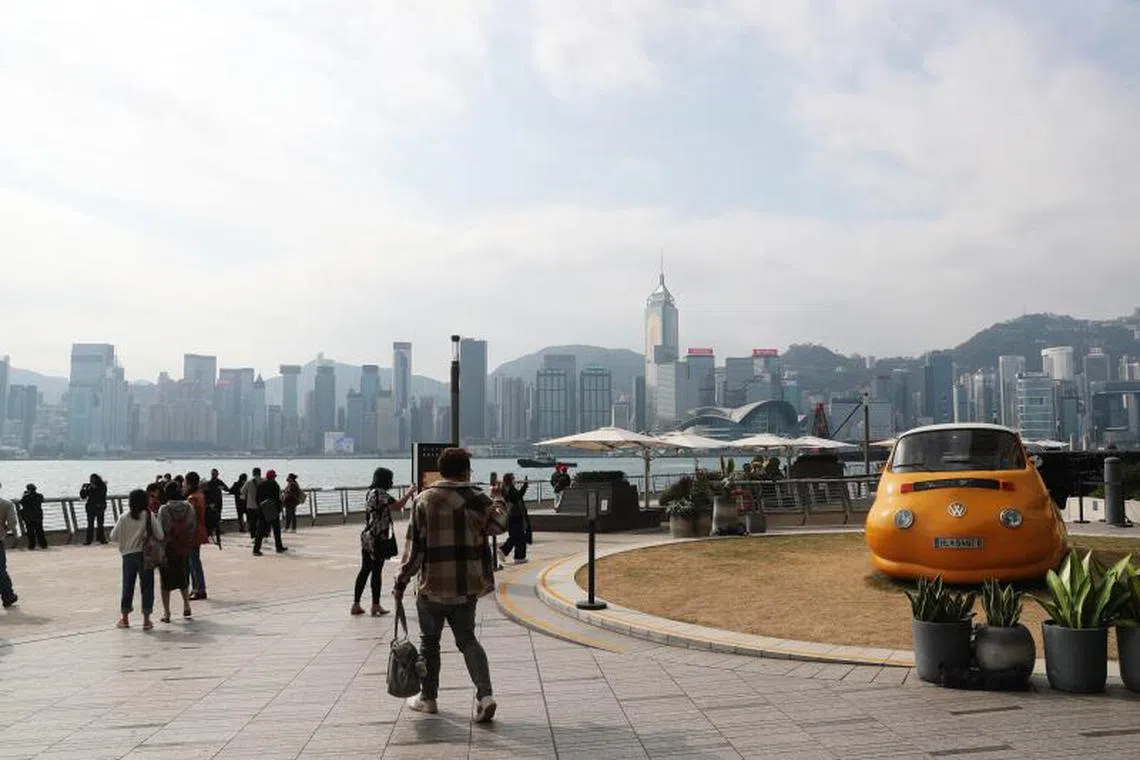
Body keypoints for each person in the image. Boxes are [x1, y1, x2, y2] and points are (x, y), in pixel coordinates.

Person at [393, 447, 507, 723]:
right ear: (466, 470)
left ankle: (428, 699)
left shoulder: (424, 500)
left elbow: (414, 550)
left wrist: (401, 580)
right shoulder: (477, 499)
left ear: (441, 471)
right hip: (466, 587)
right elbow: (500, 525)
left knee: (429, 643)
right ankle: (484, 695)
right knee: (467, 639)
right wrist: (499, 498)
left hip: (432, 586)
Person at [352, 467, 414, 617]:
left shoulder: (370, 493)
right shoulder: (381, 493)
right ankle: (375, 605)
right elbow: (398, 506)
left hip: (367, 536)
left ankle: (356, 604)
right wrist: (410, 492)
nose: (392, 482)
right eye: (390, 479)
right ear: (385, 480)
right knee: (376, 571)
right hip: (378, 538)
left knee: (365, 569)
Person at [110, 489, 163, 630]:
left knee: (127, 585)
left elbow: (113, 536)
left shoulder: (124, 517)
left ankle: (125, 618)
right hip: (145, 555)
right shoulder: (148, 515)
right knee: (147, 586)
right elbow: (160, 535)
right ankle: (146, 620)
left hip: (127, 555)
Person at [157, 481, 196, 622]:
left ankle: (167, 613)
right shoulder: (189, 507)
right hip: (184, 548)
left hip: (168, 549)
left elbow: (161, 531)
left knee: (165, 582)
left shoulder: (164, 509)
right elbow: (192, 526)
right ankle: (186, 606)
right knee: (183, 578)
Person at [184, 472, 209, 601]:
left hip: (193, 532)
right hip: (199, 530)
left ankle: (199, 589)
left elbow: (190, 518)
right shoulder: (200, 495)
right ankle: (197, 588)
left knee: (193, 561)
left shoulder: (192, 498)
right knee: (194, 560)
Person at [498, 473, 531, 564]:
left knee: (519, 537)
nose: (514, 480)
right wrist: (524, 487)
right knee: (516, 536)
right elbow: (517, 497)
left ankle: (519, 557)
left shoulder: (507, 488)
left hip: (514, 515)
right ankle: (504, 550)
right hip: (515, 515)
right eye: (513, 478)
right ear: (510, 480)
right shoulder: (510, 489)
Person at [254, 470, 287, 556]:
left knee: (260, 530)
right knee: (276, 529)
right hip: (273, 509)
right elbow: (277, 498)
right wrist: (279, 508)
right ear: (272, 477)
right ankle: (279, 547)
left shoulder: (260, 485)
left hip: (262, 509)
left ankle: (256, 550)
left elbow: (257, 498)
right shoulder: (275, 485)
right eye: (274, 476)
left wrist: (260, 507)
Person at [0, 485, 19, 608]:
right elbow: (12, 522)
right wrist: (6, 530)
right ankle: (8, 596)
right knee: (1, 570)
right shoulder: (6, 504)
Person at [81, 473, 109, 545]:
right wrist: (83, 489)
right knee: (90, 524)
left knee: (100, 524)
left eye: (93, 479)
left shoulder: (102, 486)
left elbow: (102, 495)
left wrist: (94, 488)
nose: (91, 481)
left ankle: (101, 539)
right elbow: (83, 496)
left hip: (100, 507)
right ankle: (89, 540)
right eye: (91, 479)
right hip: (90, 508)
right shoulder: (89, 487)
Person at [18, 484, 47, 550]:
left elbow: (22, 502)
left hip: (28, 517)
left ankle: (32, 545)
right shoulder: (40, 496)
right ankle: (43, 544)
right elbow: (42, 500)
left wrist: (24, 495)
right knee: (40, 530)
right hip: (38, 516)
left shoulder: (26, 497)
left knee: (30, 531)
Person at [204, 469, 228, 540]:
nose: (214, 475)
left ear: (217, 474)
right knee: (211, 518)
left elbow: (227, 489)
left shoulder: (219, 482)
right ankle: (210, 533)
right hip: (211, 503)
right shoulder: (208, 483)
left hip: (218, 502)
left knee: (218, 517)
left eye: (215, 474)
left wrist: (222, 488)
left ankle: (217, 533)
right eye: (213, 474)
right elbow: (206, 493)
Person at [242, 469, 262, 542]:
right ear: (260, 473)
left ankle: (253, 537)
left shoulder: (249, 482)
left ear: (253, 473)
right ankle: (262, 536)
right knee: (260, 522)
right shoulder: (264, 481)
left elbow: (242, 491)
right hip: (261, 505)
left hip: (251, 505)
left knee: (252, 522)